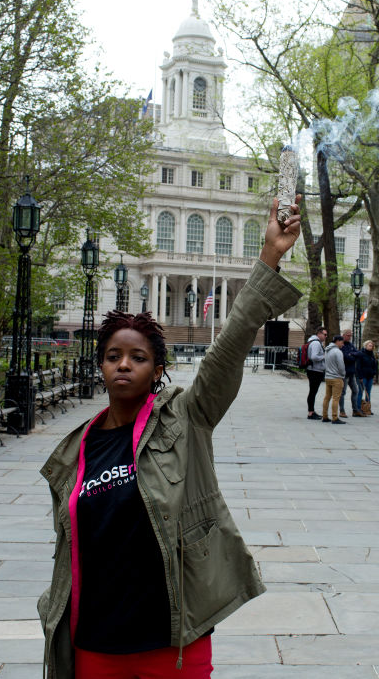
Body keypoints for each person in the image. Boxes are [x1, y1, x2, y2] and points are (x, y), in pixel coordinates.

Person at [37, 195, 303, 679]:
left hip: (172, 638)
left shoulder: (187, 417)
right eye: (113, 355)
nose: (123, 364)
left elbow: (231, 343)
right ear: (100, 366)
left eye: (137, 357)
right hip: (95, 640)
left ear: (157, 369)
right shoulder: (74, 451)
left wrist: (269, 258)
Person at [322, 335, 346, 424]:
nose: (343, 345)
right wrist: (343, 374)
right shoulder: (337, 352)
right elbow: (341, 366)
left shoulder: (327, 350)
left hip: (328, 376)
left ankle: (324, 416)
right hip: (336, 377)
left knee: (327, 397)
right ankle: (335, 417)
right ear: (338, 341)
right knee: (336, 398)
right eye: (342, 342)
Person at [305, 327, 327, 420]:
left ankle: (312, 411)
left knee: (313, 392)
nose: (326, 336)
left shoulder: (315, 342)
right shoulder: (316, 343)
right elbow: (314, 357)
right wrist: (324, 356)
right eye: (325, 334)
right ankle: (311, 413)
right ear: (319, 334)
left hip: (315, 370)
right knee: (313, 392)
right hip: (315, 370)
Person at [340, 330, 361, 417]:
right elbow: (346, 357)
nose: (349, 337)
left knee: (355, 390)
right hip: (344, 373)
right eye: (348, 335)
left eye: (350, 335)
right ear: (343, 335)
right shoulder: (341, 345)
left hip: (352, 372)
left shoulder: (351, 345)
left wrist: (351, 354)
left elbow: (359, 353)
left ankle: (355, 410)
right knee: (342, 392)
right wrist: (353, 356)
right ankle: (342, 411)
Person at [356, 340, 378, 415]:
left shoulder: (372, 355)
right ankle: (358, 408)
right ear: (365, 346)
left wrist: (374, 373)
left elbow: (374, 365)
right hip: (363, 376)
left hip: (370, 376)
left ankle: (367, 408)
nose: (371, 347)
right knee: (360, 392)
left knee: (368, 392)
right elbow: (358, 366)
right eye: (369, 345)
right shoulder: (361, 354)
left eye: (372, 346)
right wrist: (360, 376)